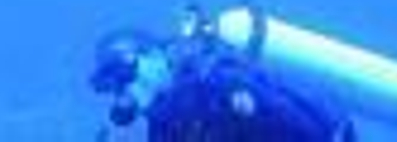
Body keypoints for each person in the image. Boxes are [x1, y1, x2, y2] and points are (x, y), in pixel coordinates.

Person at [90, 23, 356, 140]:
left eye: (125, 75)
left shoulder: (216, 81)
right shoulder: (165, 125)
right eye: (114, 88)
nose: (125, 92)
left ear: (155, 55)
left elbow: (310, 130)